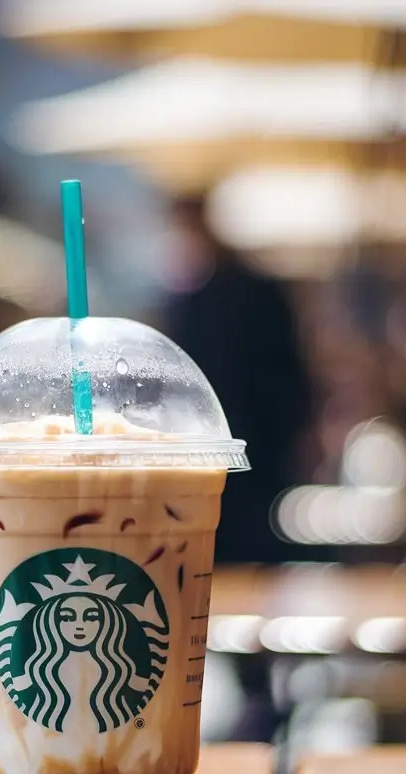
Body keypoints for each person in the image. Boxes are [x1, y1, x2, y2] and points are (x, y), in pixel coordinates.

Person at [162, 196, 313, 742]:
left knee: (236, 579)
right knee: (225, 581)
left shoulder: (220, 296)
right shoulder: (203, 297)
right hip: (233, 468)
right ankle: (259, 694)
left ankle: (259, 692)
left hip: (243, 470)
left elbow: (290, 382)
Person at [162, 196, 313, 567]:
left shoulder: (235, 294)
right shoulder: (197, 299)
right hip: (220, 446)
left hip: (252, 444)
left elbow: (287, 370)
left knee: (244, 543)